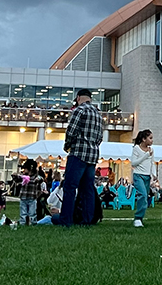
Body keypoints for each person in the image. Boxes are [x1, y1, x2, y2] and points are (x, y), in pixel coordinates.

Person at [53, 89, 103, 227]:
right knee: (87, 189)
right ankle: (87, 220)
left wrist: (67, 145)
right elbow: (100, 137)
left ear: (78, 97)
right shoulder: (98, 114)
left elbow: (71, 131)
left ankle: (66, 220)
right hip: (92, 156)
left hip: (78, 154)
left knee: (70, 187)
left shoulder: (79, 110)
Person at [131, 129, 155, 228]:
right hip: (138, 175)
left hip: (147, 176)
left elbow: (152, 163)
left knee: (145, 197)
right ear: (144, 139)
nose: (152, 140)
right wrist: (145, 155)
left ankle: (140, 218)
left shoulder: (151, 150)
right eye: (150, 138)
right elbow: (134, 163)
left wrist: (153, 174)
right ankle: (138, 218)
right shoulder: (136, 148)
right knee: (143, 195)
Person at [15, 159, 43, 225]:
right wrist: (15, 176)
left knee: (32, 212)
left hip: (32, 197)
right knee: (23, 212)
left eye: (25, 168)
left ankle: (32, 223)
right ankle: (23, 223)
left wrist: (37, 179)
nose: (24, 170)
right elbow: (17, 179)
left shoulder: (36, 177)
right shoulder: (23, 176)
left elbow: (41, 179)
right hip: (24, 197)